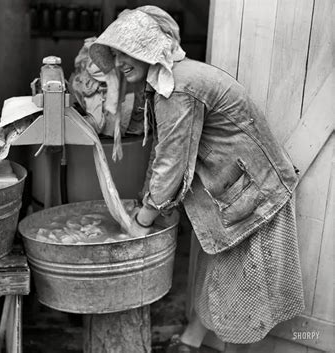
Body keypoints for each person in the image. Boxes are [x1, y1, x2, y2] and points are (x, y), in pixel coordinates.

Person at [89, 5, 305, 350]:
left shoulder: (179, 87)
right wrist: (150, 202)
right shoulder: (170, 80)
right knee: (218, 279)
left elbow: (172, 161)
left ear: (150, 49)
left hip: (253, 195)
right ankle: (190, 342)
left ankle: (216, 346)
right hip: (236, 190)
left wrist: (144, 218)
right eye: (114, 55)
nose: (119, 62)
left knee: (241, 298)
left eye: (126, 52)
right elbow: (164, 150)